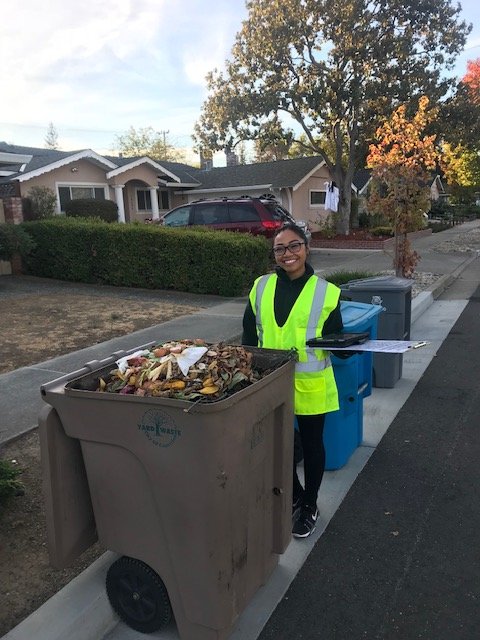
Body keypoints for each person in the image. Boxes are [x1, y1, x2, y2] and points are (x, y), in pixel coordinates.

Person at [242, 222, 343, 538]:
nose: (288, 254)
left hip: (310, 385)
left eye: (294, 245)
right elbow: (248, 336)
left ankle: (310, 505)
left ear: (306, 247)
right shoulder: (261, 287)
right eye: (280, 248)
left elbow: (336, 340)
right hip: (270, 385)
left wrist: (349, 349)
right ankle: (296, 494)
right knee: (276, 446)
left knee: (312, 448)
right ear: (274, 254)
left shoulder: (327, 293)